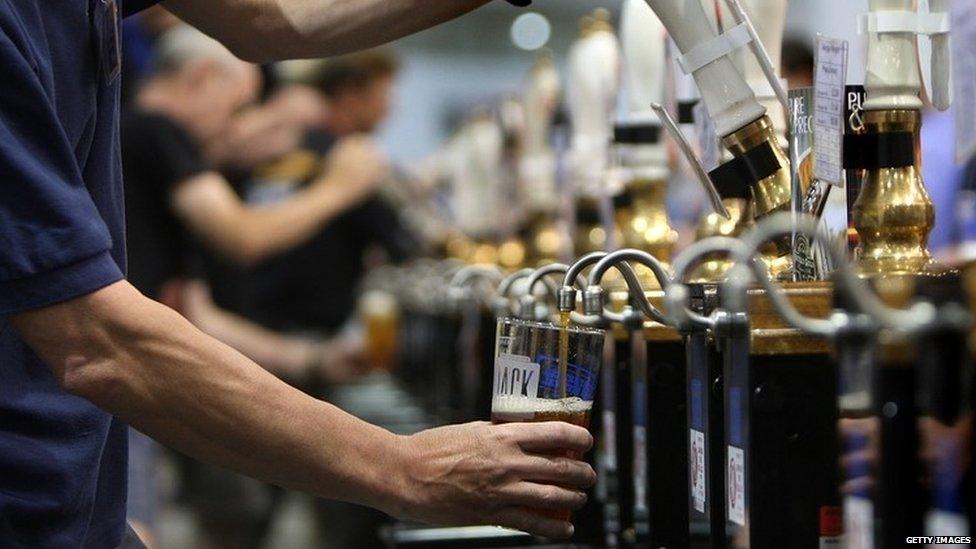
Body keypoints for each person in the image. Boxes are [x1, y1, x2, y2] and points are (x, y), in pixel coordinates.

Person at [0, 2, 593, 547]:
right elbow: (95, 340)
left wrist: (314, 366)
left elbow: (268, 20)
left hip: (74, 496)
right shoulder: (149, 128)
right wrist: (403, 468)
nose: (236, 133)